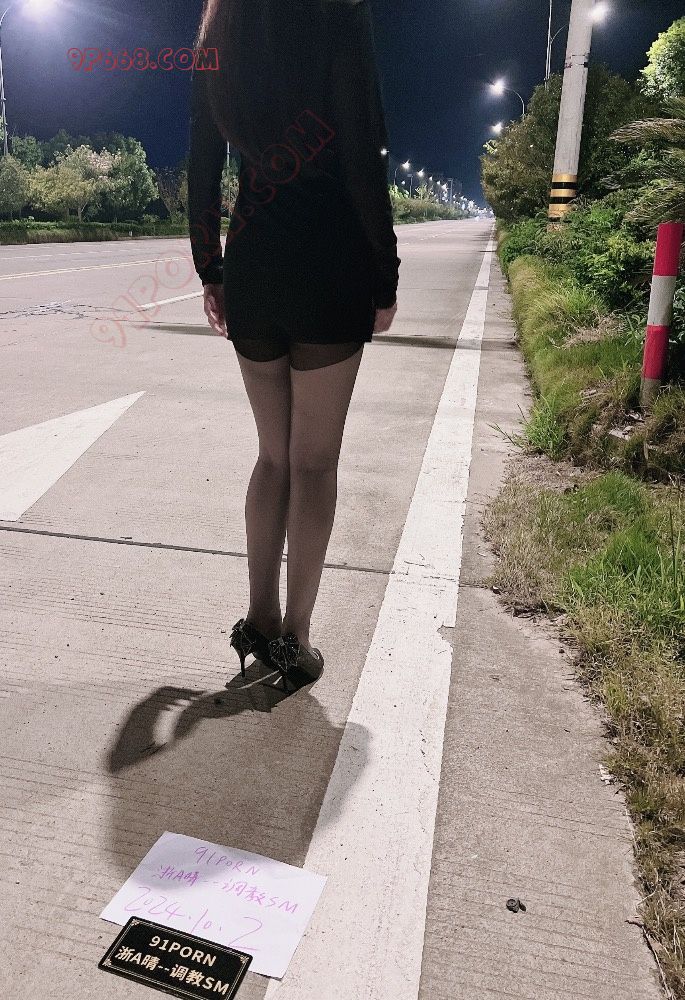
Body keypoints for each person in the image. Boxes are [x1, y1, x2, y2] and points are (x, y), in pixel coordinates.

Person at [187, 0, 401, 692]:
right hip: (329, 263)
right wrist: (385, 272)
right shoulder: (339, 15)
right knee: (314, 463)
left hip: (254, 262)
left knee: (273, 456)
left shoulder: (221, 25)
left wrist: (211, 268)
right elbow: (363, 152)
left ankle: (258, 618)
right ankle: (295, 639)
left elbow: (202, 160)